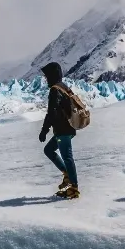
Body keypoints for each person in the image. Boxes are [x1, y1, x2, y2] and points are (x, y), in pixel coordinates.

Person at [38, 62, 80, 199]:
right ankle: (67, 176)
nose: (45, 79)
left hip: (63, 130)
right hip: (66, 129)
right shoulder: (63, 87)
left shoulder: (55, 90)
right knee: (49, 150)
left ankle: (74, 188)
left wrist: (44, 130)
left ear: (51, 75)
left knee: (67, 157)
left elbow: (51, 112)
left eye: (46, 76)